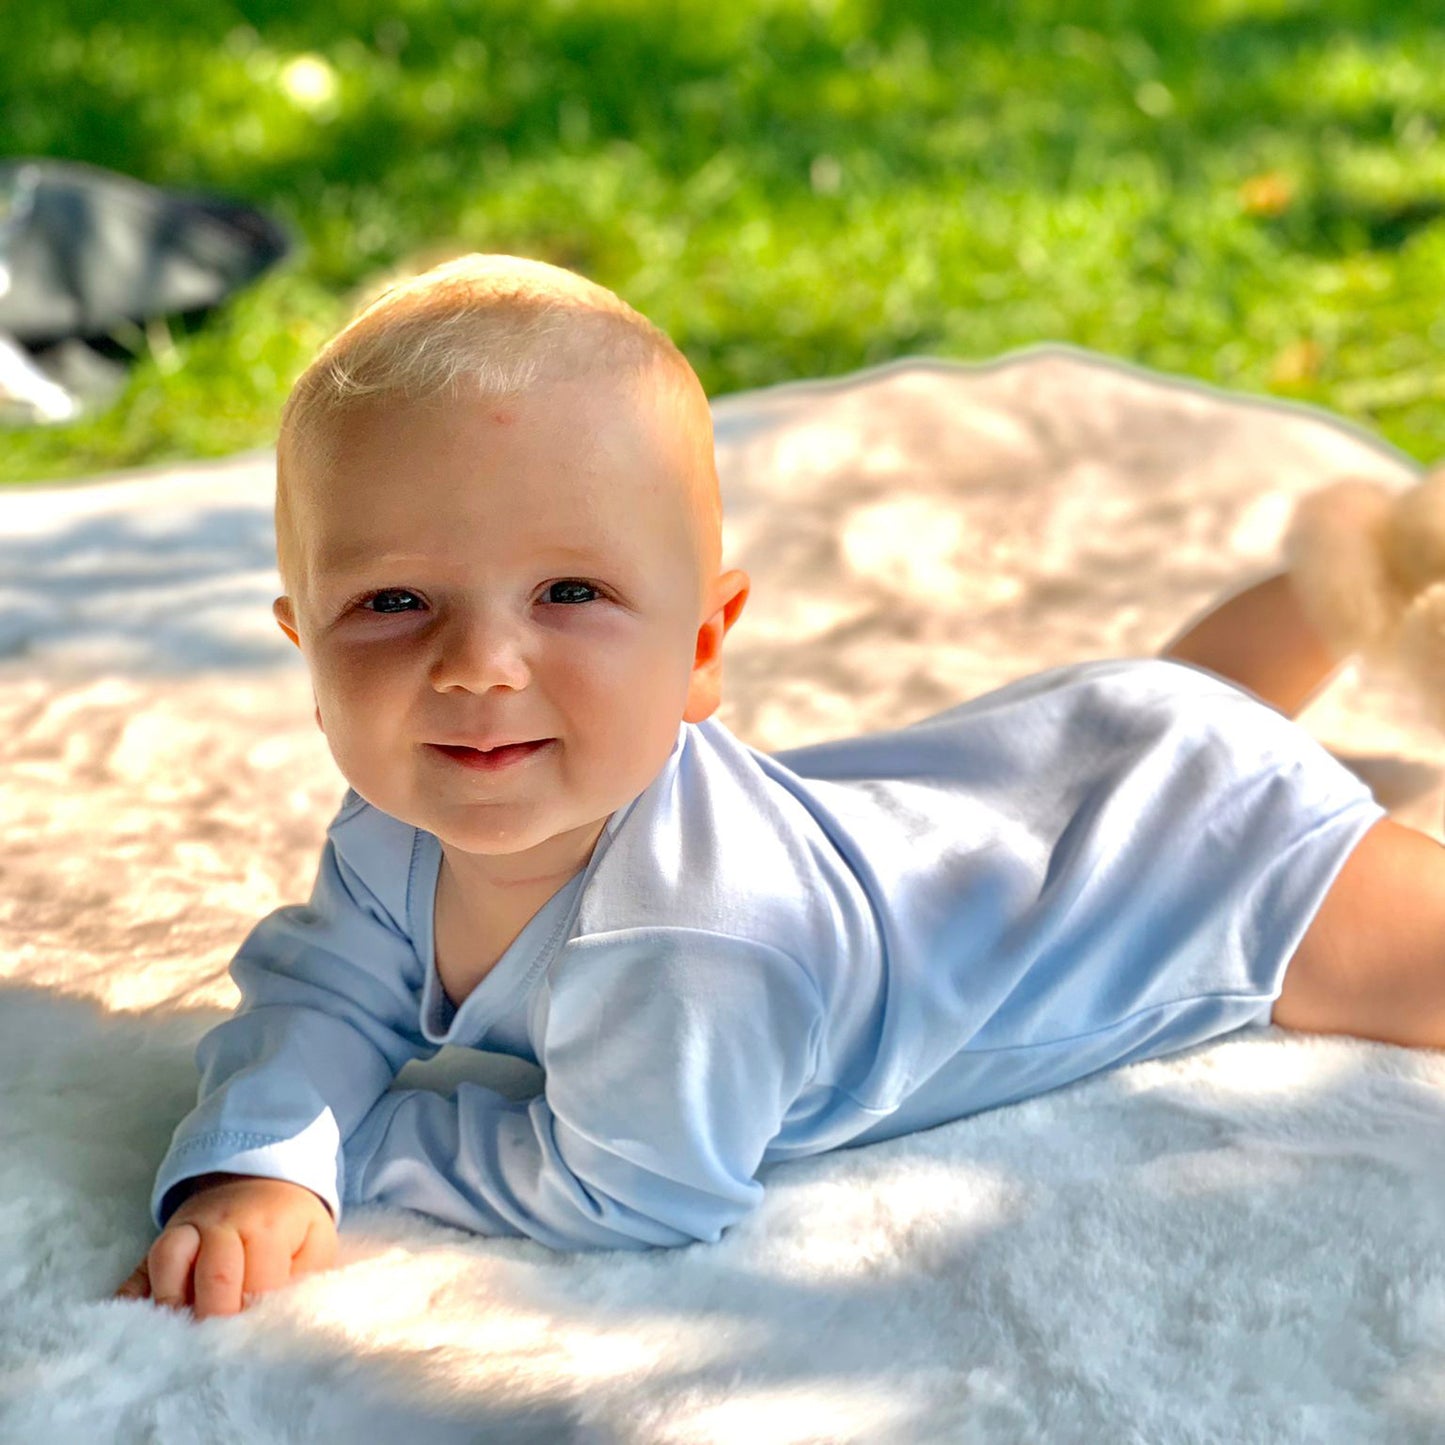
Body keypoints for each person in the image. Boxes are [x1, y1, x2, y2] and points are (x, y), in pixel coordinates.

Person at [115, 254, 1445, 1321]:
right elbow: (324, 988)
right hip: (1085, 739)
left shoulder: (691, 932)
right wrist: (261, 1150)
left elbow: (639, 1187)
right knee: (1178, 711)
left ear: (702, 648)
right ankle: (1372, 567)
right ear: (306, 645)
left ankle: (1384, 572)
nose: (475, 666)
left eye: (568, 592)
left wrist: (364, 1145)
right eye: (392, 601)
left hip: (1201, 875)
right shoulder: (400, 816)